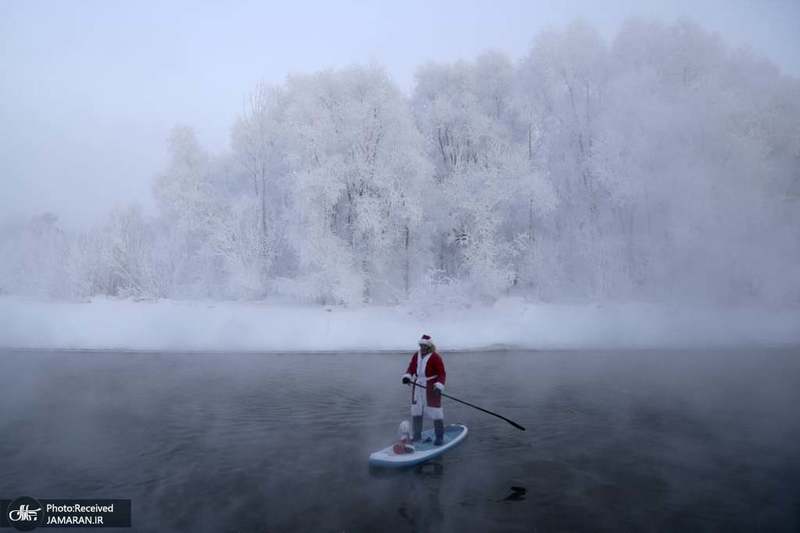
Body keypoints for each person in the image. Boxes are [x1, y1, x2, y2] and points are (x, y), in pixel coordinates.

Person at [401, 334, 447, 445]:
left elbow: (442, 373)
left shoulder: (435, 357)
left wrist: (439, 386)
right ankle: (417, 436)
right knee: (416, 411)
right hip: (418, 386)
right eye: (420, 345)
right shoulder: (416, 355)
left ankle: (439, 437)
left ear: (429, 346)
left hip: (431, 387)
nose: (422, 348)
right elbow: (411, 368)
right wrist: (407, 376)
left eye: (424, 346)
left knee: (436, 412)